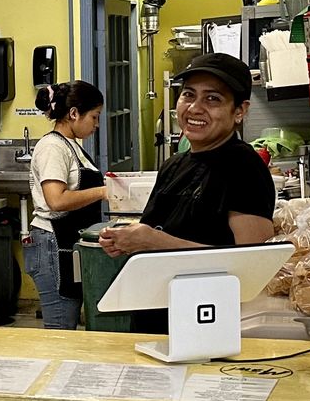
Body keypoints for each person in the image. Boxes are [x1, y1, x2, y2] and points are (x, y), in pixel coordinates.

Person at [100, 53, 275, 332]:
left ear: (239, 111)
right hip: (156, 320)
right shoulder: (175, 164)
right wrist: (128, 240)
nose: (194, 108)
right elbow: (160, 229)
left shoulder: (244, 168)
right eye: (188, 95)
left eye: (212, 99)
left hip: (204, 326)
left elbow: (250, 268)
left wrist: (153, 242)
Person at [25, 80, 106, 329]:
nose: (96, 124)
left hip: (64, 244)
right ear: (73, 114)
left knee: (68, 323)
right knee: (60, 329)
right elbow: (56, 200)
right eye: (94, 117)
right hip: (52, 245)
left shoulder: (71, 145)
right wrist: (104, 192)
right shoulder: (52, 147)